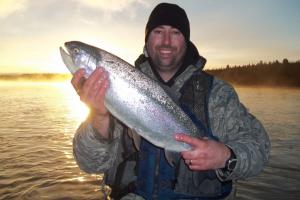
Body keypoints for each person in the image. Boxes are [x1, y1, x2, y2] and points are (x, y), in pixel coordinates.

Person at [71, 3, 270, 200]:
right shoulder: (116, 88)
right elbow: (91, 165)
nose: (166, 41)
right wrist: (98, 115)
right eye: (158, 31)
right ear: (147, 39)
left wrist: (226, 157)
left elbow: (260, 149)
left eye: (175, 32)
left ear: (186, 41)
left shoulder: (218, 94)